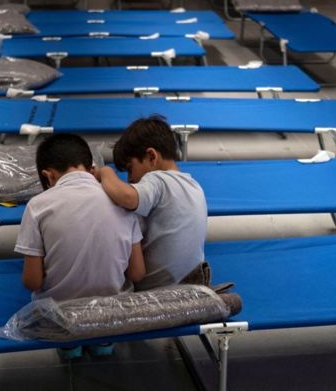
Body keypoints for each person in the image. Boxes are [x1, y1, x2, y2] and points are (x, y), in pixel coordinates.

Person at [16, 134, 145, 357]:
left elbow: (32, 281)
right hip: (112, 314)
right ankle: (103, 343)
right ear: (91, 168)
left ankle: (69, 347)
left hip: (59, 316)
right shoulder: (122, 202)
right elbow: (137, 272)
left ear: (48, 176)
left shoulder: (37, 206)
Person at [96, 116, 208, 291]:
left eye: (130, 168)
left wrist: (106, 172)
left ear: (151, 156)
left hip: (157, 291)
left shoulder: (158, 179)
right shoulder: (195, 186)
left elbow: (127, 197)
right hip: (192, 285)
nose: (130, 178)